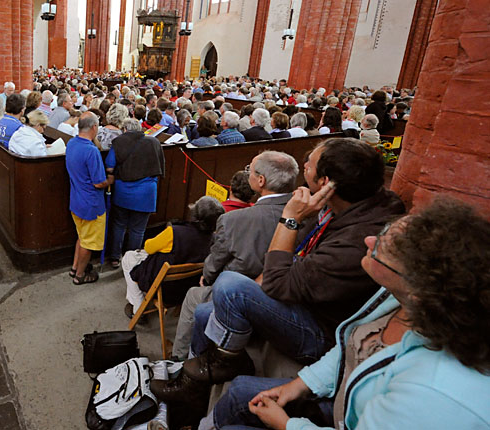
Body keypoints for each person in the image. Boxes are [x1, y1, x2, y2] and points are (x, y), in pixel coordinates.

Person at [208, 199, 490, 430]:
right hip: (343, 395)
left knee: (227, 289)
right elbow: (353, 344)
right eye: (383, 233)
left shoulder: (431, 394)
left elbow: (277, 281)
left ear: (419, 291)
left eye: (381, 248)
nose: (368, 240)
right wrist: (300, 384)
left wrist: (288, 425)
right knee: (239, 388)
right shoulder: (397, 296)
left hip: (341, 409)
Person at [169, 139, 406, 393]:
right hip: (306, 298)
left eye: (310, 164)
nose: (304, 166)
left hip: (320, 332)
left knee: (228, 286)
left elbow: (277, 282)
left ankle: (221, 363)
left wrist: (291, 219)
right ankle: (193, 381)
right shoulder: (358, 206)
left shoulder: (350, 238)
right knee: (206, 312)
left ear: (326, 183)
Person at [162, 153, 298, 363]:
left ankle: (180, 359)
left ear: (260, 181)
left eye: (249, 170)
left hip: (243, 294)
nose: (248, 173)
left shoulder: (234, 219)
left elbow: (215, 262)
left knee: (192, 296)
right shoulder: (306, 213)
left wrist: (207, 278)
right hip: (281, 296)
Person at [122, 197, 224, 319]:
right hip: (186, 290)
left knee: (129, 257)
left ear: (195, 215)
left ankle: (137, 306)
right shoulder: (213, 240)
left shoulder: (174, 232)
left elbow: (148, 247)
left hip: (162, 287)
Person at [105, 118, 164, 267]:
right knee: (138, 229)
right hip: (146, 192)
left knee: (119, 225)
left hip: (123, 191)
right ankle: (131, 261)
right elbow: (161, 167)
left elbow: (109, 166)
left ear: (124, 129)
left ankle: (114, 258)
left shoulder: (119, 142)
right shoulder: (154, 142)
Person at [65, 113, 114, 285]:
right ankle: (79, 276)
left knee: (82, 237)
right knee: (88, 242)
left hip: (76, 200)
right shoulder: (91, 150)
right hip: (91, 205)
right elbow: (99, 182)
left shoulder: (71, 143)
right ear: (94, 127)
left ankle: (74, 268)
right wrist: (110, 180)